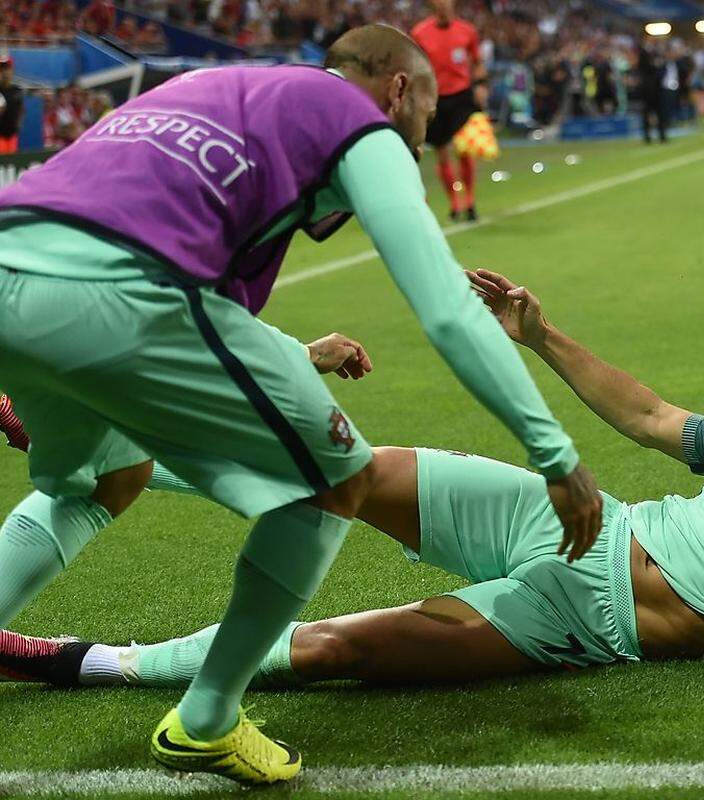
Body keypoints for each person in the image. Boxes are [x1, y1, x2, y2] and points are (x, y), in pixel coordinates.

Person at [1, 268, 704, 715]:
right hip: (570, 517)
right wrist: (545, 335)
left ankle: (74, 659)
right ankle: (108, 437)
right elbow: (651, 418)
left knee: (330, 650)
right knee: (340, 471)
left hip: (576, 619)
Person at [0, 25, 601, 785]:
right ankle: (207, 718)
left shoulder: (214, 94)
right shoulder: (359, 123)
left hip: (12, 268)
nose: (422, 134)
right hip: (123, 296)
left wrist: (295, 353)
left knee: (100, 481)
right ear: (398, 90)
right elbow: (447, 307)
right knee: (340, 480)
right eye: (425, 112)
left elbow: (154, 246)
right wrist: (555, 455)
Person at [412, 0, 487, 222]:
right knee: (442, 151)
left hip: (461, 95)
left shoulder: (467, 31)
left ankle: (470, 201)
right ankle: (455, 203)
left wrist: (482, 85)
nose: (444, 6)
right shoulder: (420, 33)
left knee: (463, 148)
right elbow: (415, 65)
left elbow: (477, 61)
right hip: (435, 98)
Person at [0, 56, 23, 155]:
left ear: (12, 70)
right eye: (2, 69)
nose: (5, 72)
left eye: (7, 68)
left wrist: (18, 124)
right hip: (0, 136)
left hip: (13, 136)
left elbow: (21, 109)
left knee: (12, 163)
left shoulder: (17, 90)